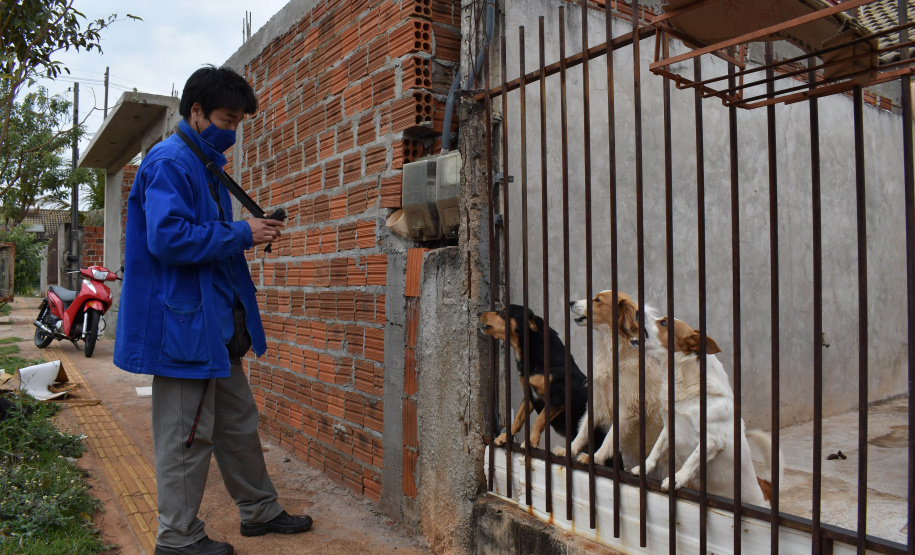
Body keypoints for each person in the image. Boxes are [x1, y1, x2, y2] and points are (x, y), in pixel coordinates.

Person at [114, 65, 311, 555]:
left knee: (238, 423)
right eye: (228, 118)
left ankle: (259, 511)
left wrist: (245, 233)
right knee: (187, 436)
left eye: (240, 122)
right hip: (183, 330)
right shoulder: (169, 162)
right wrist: (245, 233)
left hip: (214, 326)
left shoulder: (204, 164)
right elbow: (168, 238)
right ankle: (177, 538)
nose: (233, 131)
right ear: (196, 112)